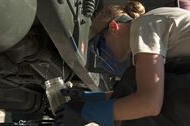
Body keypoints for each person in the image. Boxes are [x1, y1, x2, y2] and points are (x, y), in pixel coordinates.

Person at [54, 1, 190, 126]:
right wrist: (88, 97)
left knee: (132, 111)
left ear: (113, 27)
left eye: (101, 45)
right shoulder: (145, 33)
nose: (103, 53)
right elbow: (135, 91)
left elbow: (149, 103)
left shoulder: (142, 26)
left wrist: (87, 113)